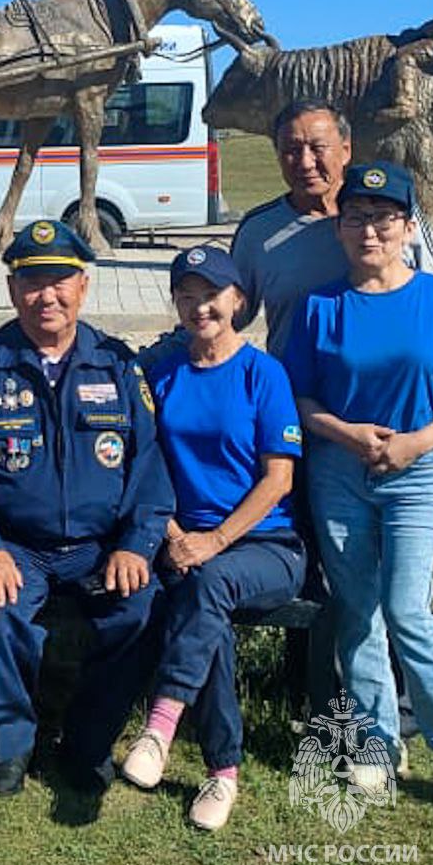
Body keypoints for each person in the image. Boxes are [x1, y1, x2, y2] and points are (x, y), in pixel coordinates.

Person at [283, 160, 433, 827]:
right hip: (341, 471)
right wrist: (346, 433)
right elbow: (300, 395)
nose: (370, 230)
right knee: (356, 611)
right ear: (341, 227)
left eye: (384, 218)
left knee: (409, 610)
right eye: (356, 217)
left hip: (419, 470)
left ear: (408, 227)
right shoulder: (319, 307)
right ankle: (377, 741)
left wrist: (416, 442)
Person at [0, 219, 174, 796]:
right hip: (16, 543)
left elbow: (149, 466)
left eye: (60, 281)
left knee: (139, 611)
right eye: (33, 282)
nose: (48, 296)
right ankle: (9, 748)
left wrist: (135, 546)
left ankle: (88, 742)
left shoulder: (117, 364)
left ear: (83, 286)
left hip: (99, 546)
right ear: (14, 289)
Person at [119, 246, 304, 830]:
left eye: (212, 294)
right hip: (183, 543)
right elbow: (145, 465)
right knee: (208, 604)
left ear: (238, 301)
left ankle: (162, 722)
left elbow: (280, 478)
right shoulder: (163, 371)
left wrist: (215, 540)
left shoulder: (263, 374)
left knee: (211, 581)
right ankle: (223, 772)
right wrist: (175, 534)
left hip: (265, 545)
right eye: (187, 295)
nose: (201, 307)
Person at [229, 99, 433, 363]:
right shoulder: (258, 231)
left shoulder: (396, 217)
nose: (305, 163)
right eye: (292, 150)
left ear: (345, 150)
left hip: (387, 384)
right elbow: (232, 312)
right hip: (298, 392)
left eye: (318, 148)